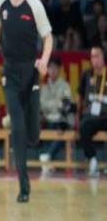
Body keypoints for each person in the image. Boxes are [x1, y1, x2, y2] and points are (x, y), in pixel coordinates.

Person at [0, 0, 53, 203]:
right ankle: (24, 187)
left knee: (33, 135)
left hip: (31, 72)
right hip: (10, 73)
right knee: (18, 128)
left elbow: (48, 37)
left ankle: (27, 126)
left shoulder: (34, 4)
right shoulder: (0, 2)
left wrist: (44, 60)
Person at [39, 57, 73, 175]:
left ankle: (47, 156)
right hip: (48, 120)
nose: (52, 70)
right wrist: (56, 104)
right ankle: (49, 162)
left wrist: (52, 106)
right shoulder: (44, 87)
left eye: (55, 68)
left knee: (59, 127)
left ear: (59, 69)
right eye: (50, 68)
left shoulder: (65, 86)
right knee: (44, 126)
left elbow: (65, 105)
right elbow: (42, 105)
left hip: (61, 120)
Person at [77, 45, 107, 177]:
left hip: (106, 116)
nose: (94, 59)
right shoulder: (86, 74)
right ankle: (92, 160)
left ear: (103, 57)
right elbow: (79, 94)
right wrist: (78, 114)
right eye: (92, 56)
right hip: (92, 117)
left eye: (97, 56)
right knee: (83, 126)